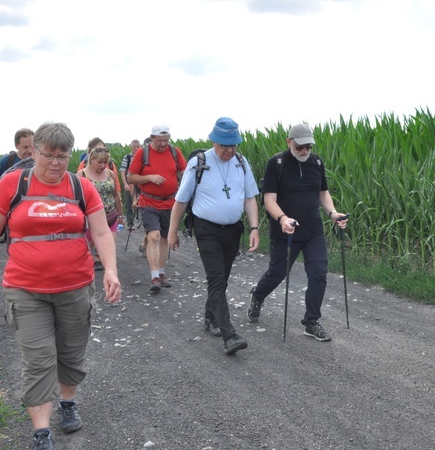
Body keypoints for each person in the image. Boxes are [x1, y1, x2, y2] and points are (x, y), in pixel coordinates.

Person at [0, 122, 122, 450]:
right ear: (34, 151)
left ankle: (68, 403)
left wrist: (110, 270)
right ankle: (41, 431)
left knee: (70, 353)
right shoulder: (13, 184)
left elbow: (100, 232)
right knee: (38, 359)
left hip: (76, 287)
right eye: (49, 155)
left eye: (63, 156)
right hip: (26, 290)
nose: (55, 162)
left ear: (71, 155)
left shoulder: (81, 188)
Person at [167, 117, 260, 354]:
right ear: (213, 141)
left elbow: (249, 197)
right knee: (216, 279)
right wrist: (172, 233)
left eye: (233, 145)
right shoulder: (199, 163)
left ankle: (209, 318)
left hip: (233, 229)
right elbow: (181, 200)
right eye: (224, 146)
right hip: (206, 229)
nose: (229, 150)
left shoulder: (241, 162)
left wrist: (254, 228)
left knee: (223, 278)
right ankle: (229, 335)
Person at [248, 124, 348, 341]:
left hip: (313, 230)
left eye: (308, 147)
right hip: (285, 232)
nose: (304, 151)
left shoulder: (317, 162)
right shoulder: (277, 163)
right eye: (300, 146)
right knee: (277, 273)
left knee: (319, 273)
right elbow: (268, 200)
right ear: (289, 142)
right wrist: (283, 218)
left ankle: (311, 321)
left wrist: (332, 213)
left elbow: (323, 193)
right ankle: (258, 296)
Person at [129, 127, 186, 292]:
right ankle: (154, 276)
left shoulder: (175, 152)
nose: (163, 144)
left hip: (170, 203)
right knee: (153, 236)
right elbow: (131, 177)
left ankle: (161, 273)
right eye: (159, 141)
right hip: (149, 202)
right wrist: (149, 177)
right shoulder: (142, 153)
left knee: (163, 239)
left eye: (166, 140)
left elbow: (185, 172)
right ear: (152, 138)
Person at [81, 145, 124, 271]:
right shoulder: (82, 175)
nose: (103, 165)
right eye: (99, 162)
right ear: (91, 160)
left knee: (110, 242)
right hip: (91, 218)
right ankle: (92, 261)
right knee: (89, 245)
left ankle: (109, 270)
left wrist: (120, 215)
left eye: (105, 162)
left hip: (110, 215)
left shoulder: (110, 174)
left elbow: (116, 196)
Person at [120, 139, 142, 228]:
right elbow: (122, 171)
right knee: (129, 203)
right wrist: (125, 184)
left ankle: (140, 220)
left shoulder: (142, 157)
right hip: (129, 182)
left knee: (141, 201)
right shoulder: (127, 157)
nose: (136, 149)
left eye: (138, 147)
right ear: (131, 147)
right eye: (134, 147)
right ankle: (130, 223)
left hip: (140, 182)